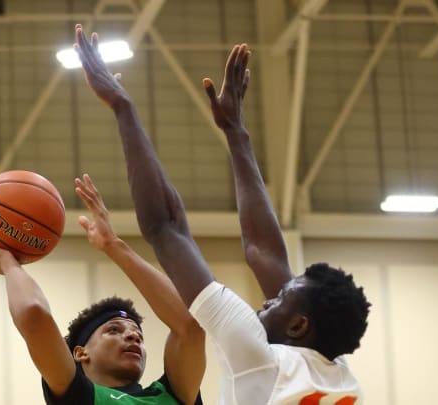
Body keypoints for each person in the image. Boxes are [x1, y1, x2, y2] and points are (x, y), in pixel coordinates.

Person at [74, 23, 371, 405]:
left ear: (298, 326)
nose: (267, 300)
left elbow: (165, 228)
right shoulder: (338, 371)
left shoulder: (256, 353)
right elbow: (266, 254)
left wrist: (123, 108)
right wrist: (235, 133)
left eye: (279, 300)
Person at [0, 174, 204, 405]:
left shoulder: (174, 395)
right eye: (113, 330)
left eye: (138, 335)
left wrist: (114, 246)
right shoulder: (80, 397)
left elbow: (189, 325)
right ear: (80, 353)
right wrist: (8, 264)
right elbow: (33, 312)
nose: (133, 336)